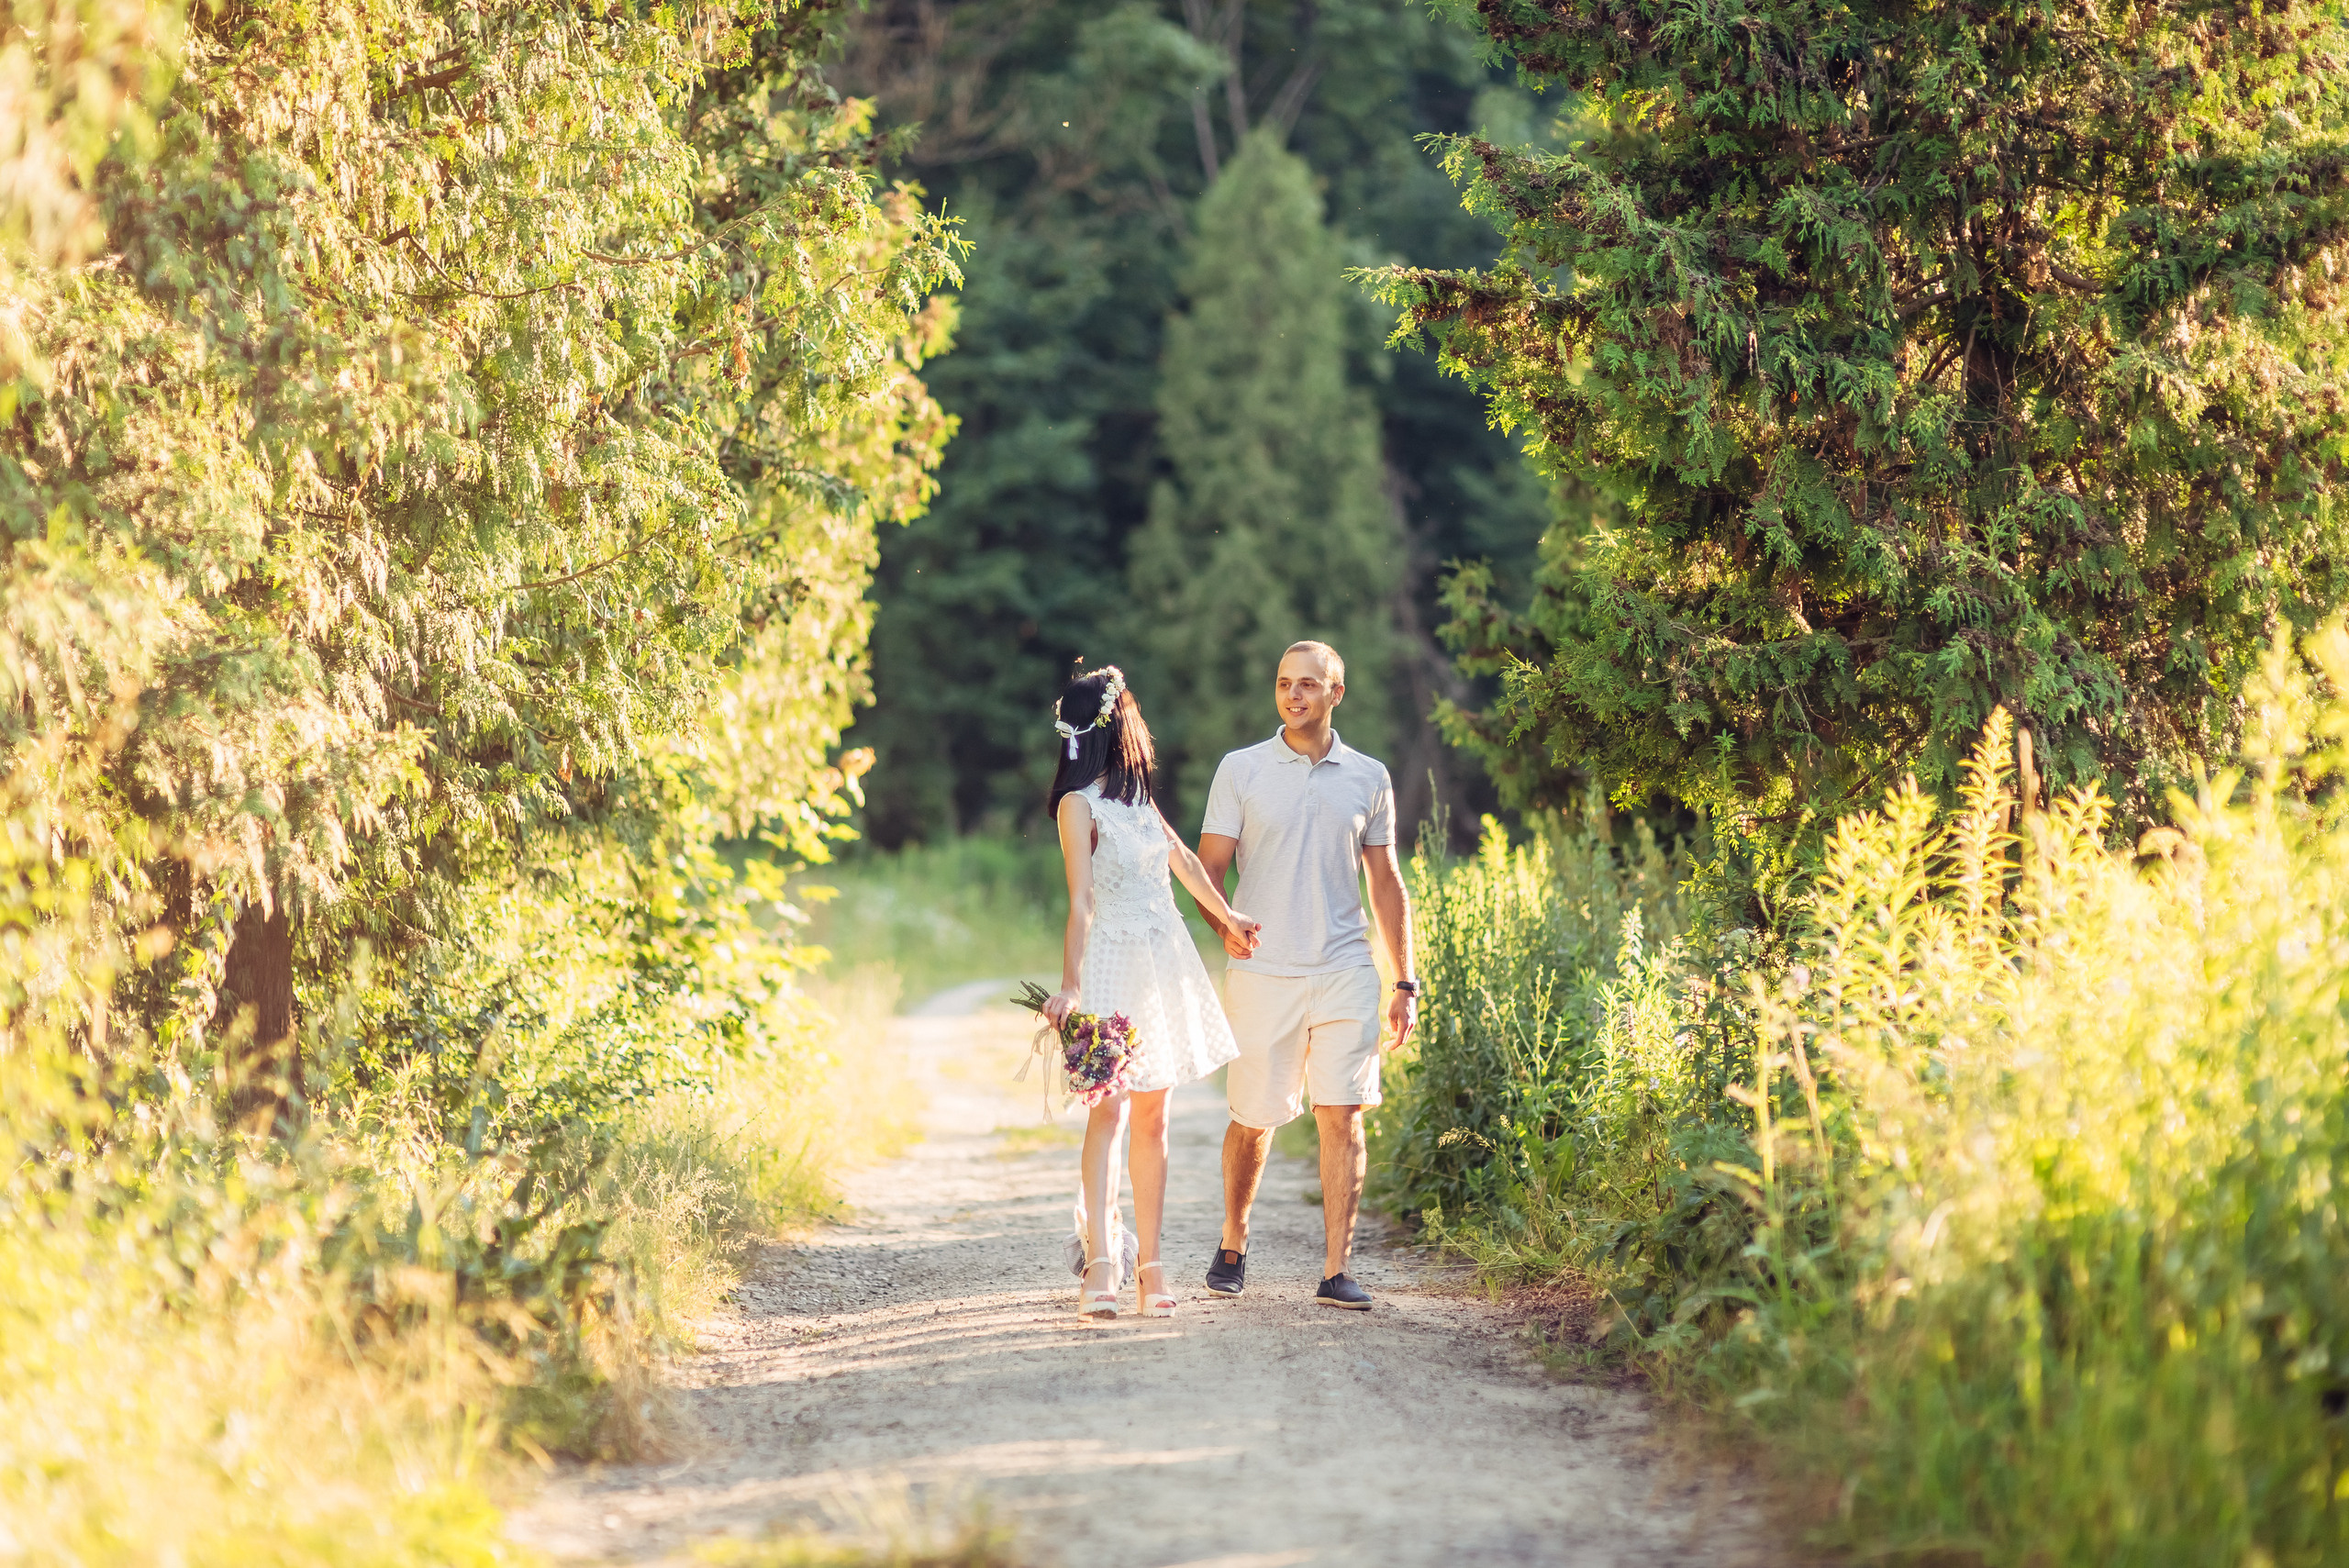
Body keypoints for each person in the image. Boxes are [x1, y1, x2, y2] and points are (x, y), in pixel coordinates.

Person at [1193, 640, 1418, 1309]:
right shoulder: (1241, 769)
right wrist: (1225, 925)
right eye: (1285, 684)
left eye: (1309, 685)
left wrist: (1405, 979)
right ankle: (1233, 1240)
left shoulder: (1369, 776)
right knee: (1254, 1120)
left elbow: (1385, 878)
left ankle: (1336, 1268)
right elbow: (1208, 872)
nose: (1294, 695)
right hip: (1265, 972)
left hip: (1346, 966)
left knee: (1343, 1113)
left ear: (1336, 693)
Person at [1039, 665, 1262, 1319]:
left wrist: (1226, 917)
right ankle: (1101, 1264)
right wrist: (1071, 984)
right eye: (1130, 713)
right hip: (1112, 963)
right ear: (1115, 726)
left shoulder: (1136, 797)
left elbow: (1185, 861)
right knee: (1108, 1112)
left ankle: (1151, 1266)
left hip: (1163, 966)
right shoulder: (1078, 804)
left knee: (1155, 1117)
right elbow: (1079, 900)